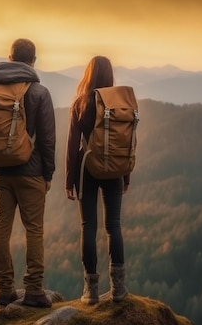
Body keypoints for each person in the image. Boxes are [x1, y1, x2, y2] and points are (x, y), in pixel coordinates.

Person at [0, 38, 56, 308]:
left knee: (1, 229)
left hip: (0, 173)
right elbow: (47, 140)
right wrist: (48, 174)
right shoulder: (39, 92)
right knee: (34, 230)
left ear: (10, 58)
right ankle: (33, 290)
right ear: (33, 61)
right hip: (31, 173)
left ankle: (5, 290)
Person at [65, 55, 129, 304]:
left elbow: (72, 145)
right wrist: (126, 174)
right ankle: (118, 289)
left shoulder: (80, 103)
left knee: (88, 227)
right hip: (114, 168)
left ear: (88, 74)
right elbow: (126, 142)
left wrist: (69, 180)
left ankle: (90, 291)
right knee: (114, 226)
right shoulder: (120, 103)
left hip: (86, 168)